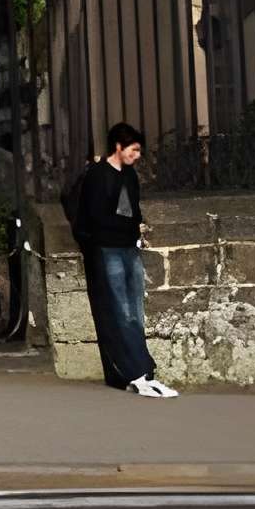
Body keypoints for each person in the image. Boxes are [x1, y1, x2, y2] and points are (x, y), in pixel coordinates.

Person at [70, 124, 175, 398]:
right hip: (108, 249)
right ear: (119, 146)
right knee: (122, 310)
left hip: (129, 248)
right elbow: (95, 216)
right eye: (134, 149)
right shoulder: (98, 175)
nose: (137, 155)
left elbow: (133, 210)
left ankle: (138, 371)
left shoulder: (129, 175)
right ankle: (138, 371)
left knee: (135, 311)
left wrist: (135, 234)